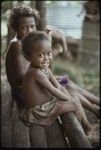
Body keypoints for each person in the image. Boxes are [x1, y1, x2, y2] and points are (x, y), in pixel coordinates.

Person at [5, 5, 99, 115]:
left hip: (34, 83)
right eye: (24, 27)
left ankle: (97, 104)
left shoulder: (29, 41)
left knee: (67, 81)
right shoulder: (17, 45)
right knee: (67, 89)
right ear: (15, 28)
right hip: (25, 93)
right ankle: (94, 110)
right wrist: (57, 52)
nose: (29, 30)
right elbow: (22, 78)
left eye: (32, 26)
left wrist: (63, 46)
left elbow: (56, 32)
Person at [20, 31, 98, 137]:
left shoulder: (45, 69)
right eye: (40, 55)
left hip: (47, 104)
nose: (46, 58)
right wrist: (68, 99)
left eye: (48, 53)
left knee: (71, 90)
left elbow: (58, 85)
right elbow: (54, 90)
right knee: (74, 104)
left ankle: (88, 123)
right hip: (40, 111)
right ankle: (75, 132)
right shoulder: (36, 73)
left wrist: (68, 95)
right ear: (28, 57)